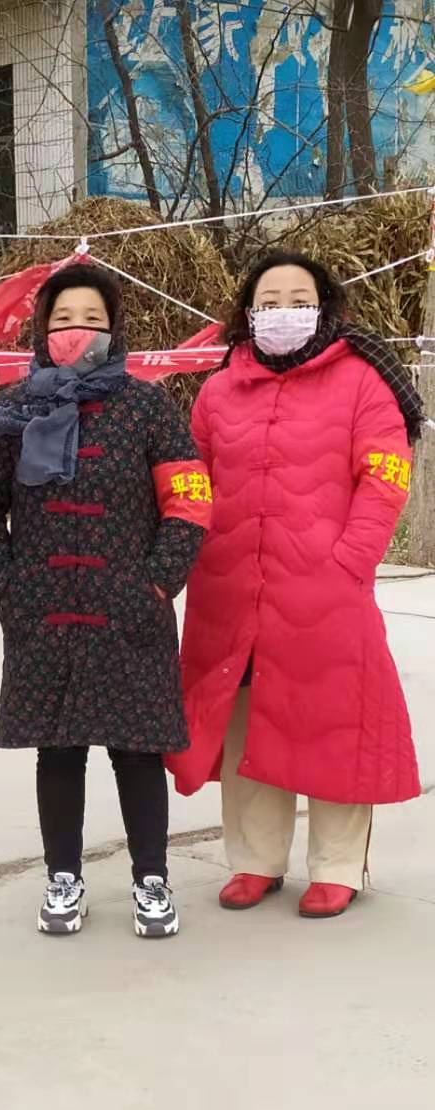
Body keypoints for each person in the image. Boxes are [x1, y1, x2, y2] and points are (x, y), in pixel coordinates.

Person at [0, 264, 211, 939]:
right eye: (64, 319)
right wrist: (7, 581)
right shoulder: (14, 410)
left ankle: (151, 879)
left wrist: (158, 582)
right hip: (44, 609)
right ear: (42, 328)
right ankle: (63, 878)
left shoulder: (148, 407)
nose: (78, 330)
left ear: (114, 327)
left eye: (92, 319)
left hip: (131, 608)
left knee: (138, 750)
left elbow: (189, 501)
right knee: (59, 749)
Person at [169, 251, 422, 918]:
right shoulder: (220, 389)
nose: (283, 312)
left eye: (298, 300)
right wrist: (185, 553)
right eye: (270, 302)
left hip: (326, 587)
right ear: (248, 313)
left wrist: (350, 561)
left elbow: (386, 475)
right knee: (245, 722)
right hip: (230, 587)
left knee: (335, 719)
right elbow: (190, 480)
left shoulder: (362, 380)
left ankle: (337, 866)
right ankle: (255, 860)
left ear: (324, 308)